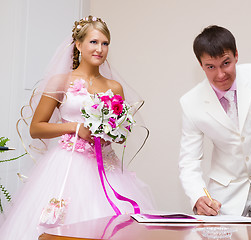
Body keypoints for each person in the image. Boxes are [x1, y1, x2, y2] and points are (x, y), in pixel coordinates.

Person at [0, 16, 155, 239]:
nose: (100, 49)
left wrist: (113, 132)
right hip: (68, 165)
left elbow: (120, 136)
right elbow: (36, 128)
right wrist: (75, 127)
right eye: (93, 42)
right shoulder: (61, 81)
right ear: (79, 45)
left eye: (105, 43)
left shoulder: (114, 87)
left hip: (106, 167)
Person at [179, 25, 251, 218]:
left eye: (226, 63)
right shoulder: (190, 103)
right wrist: (198, 196)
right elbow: (189, 160)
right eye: (210, 67)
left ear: (236, 55)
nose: (220, 74)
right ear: (201, 65)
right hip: (224, 199)